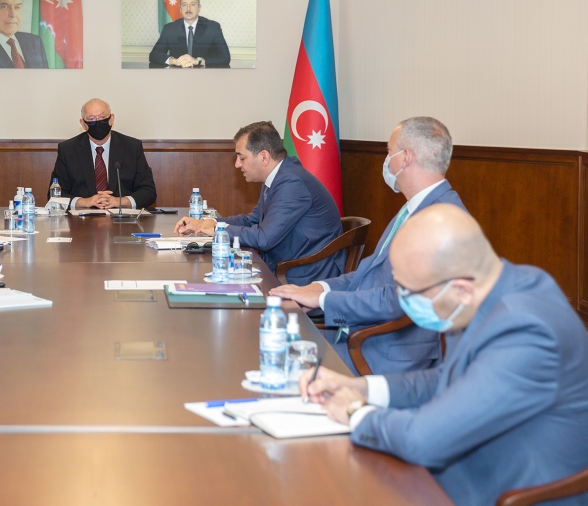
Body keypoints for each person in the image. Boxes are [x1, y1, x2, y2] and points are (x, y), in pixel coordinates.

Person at [300, 204, 588, 506]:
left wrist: (354, 412)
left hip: (499, 489)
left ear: (461, 289)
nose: (404, 302)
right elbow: (450, 377)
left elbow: (421, 440)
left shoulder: (525, 332)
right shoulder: (493, 287)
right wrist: (363, 388)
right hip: (463, 464)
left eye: (409, 292)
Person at [272, 117, 464, 374]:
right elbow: (370, 273)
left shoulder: (441, 219)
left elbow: (396, 301)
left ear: (406, 157)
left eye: (389, 151)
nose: (387, 160)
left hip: (383, 352)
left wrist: (323, 300)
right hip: (365, 336)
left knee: (272, 352)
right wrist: (319, 288)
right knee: (268, 336)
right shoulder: (416, 208)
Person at [175, 122, 343, 284]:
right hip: (286, 268)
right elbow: (252, 221)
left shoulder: (291, 182)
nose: (237, 164)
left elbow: (264, 238)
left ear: (264, 157)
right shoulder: (277, 177)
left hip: (305, 276)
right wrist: (206, 223)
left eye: (241, 157)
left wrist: (218, 231)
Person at [49, 98, 157, 210]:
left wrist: (119, 201)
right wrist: (86, 201)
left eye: (102, 117)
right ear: (83, 124)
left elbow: (148, 192)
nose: (98, 123)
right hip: (82, 217)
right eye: (91, 119)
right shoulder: (68, 150)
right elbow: (55, 194)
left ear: (112, 119)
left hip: (122, 217)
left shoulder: (132, 147)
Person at [148, 0, 230, 68]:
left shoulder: (212, 28)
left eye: (192, 4)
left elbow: (225, 57)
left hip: (204, 75)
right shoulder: (169, 29)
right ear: (180, 8)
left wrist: (198, 61)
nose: (188, 9)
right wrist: (174, 61)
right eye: (184, 5)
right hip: (177, 75)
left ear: (199, 8)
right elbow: (154, 55)